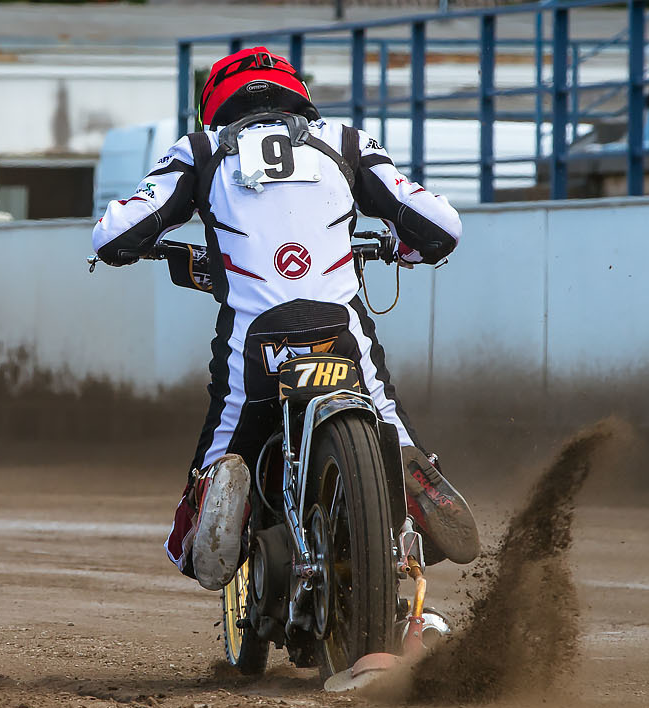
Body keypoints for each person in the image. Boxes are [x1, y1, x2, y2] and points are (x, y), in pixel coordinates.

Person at [90, 46, 480, 592]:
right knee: (384, 410)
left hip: (255, 345)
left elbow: (112, 235)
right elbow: (442, 228)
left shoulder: (199, 150)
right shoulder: (345, 141)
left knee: (220, 455)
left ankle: (215, 497)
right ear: (297, 93)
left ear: (215, 103)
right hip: (340, 335)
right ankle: (406, 480)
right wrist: (400, 247)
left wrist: (143, 246)